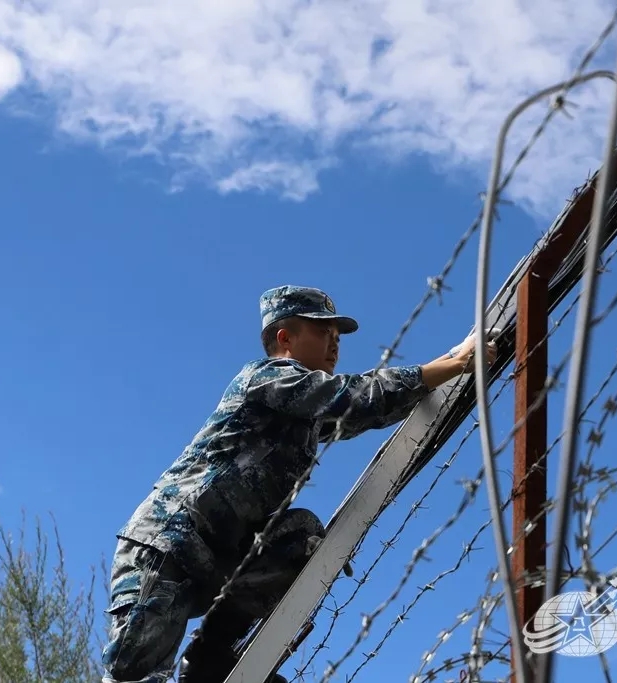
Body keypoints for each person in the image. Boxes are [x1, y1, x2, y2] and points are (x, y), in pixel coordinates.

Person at [101, 285, 497, 683]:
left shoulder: (304, 412)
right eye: (323, 332)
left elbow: (366, 411)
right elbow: (350, 398)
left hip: (220, 553)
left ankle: (211, 657)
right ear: (284, 338)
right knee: (135, 674)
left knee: (299, 536)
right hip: (170, 543)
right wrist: (444, 367)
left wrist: (453, 358)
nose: (334, 344)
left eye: (337, 337)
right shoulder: (269, 378)